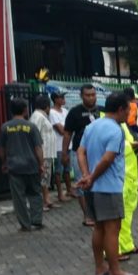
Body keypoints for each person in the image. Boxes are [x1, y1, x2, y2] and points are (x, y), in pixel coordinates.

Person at [76, 92, 138, 275]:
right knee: (113, 229)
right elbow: (108, 158)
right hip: (108, 187)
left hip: (93, 189)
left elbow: (81, 151)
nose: (129, 113)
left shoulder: (92, 126)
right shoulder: (116, 130)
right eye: (128, 109)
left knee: (99, 228)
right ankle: (115, 271)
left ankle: (99, 267)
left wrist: (86, 175)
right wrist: (93, 177)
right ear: (120, 109)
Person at [0, 98, 45, 231]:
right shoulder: (31, 126)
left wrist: (4, 162)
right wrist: (41, 164)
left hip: (14, 167)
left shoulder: (5, 127)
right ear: (25, 110)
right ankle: (36, 221)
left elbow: (1, 149)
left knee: (19, 198)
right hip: (31, 165)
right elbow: (38, 148)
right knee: (35, 193)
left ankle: (25, 224)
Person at [63, 84, 100, 226]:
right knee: (82, 183)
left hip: (98, 153)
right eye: (88, 95)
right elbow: (67, 133)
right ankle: (87, 215)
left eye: (93, 94)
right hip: (79, 153)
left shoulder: (101, 111)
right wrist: (65, 153)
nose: (91, 98)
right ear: (81, 96)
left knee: (96, 182)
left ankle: (98, 213)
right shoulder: (74, 112)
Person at [118, 114, 138, 259]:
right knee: (115, 217)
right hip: (119, 177)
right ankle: (113, 251)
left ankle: (126, 245)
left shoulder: (122, 124)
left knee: (127, 215)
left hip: (128, 177)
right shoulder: (109, 125)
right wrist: (132, 145)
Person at [29, 94, 58, 211]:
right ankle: (41, 202)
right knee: (42, 178)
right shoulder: (38, 117)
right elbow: (35, 135)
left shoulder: (42, 116)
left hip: (47, 153)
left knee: (45, 178)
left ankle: (47, 199)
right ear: (46, 106)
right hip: (43, 153)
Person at [49, 91, 72, 201]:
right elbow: (62, 130)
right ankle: (59, 194)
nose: (63, 99)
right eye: (61, 97)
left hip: (68, 144)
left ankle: (69, 190)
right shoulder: (52, 113)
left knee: (67, 169)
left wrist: (67, 129)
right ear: (55, 99)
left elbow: (69, 128)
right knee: (59, 170)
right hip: (58, 146)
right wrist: (68, 129)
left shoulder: (65, 111)